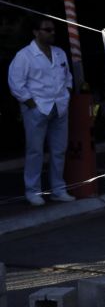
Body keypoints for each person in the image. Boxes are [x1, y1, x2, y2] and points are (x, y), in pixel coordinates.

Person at [7, 18, 75, 206]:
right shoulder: (24, 56)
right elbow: (15, 83)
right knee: (35, 151)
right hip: (37, 108)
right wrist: (31, 104)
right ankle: (33, 191)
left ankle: (58, 189)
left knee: (59, 150)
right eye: (47, 29)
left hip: (59, 107)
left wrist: (66, 94)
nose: (52, 32)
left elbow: (67, 77)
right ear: (36, 32)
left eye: (53, 29)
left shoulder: (59, 53)